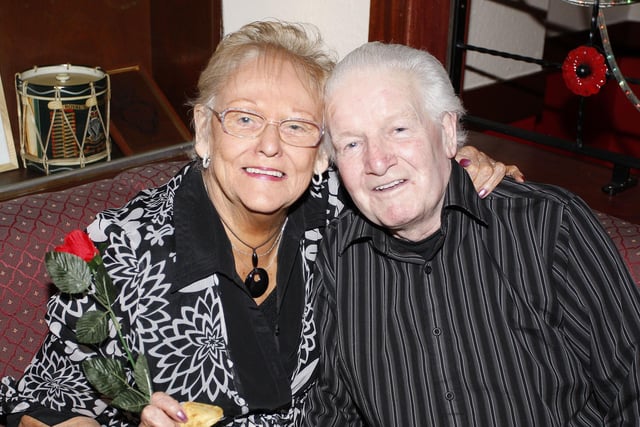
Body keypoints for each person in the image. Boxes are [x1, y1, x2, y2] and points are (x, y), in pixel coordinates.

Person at [0, 22, 520, 427]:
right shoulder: (116, 248)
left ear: (322, 153)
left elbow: (420, 184)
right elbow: (48, 401)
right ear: (205, 130)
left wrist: (463, 162)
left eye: (296, 126)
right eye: (245, 118)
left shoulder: (348, 213)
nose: (270, 146)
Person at [303, 41, 640, 426]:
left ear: (447, 132)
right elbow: (330, 410)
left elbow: (631, 382)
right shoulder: (337, 258)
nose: (377, 161)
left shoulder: (547, 225)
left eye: (398, 129)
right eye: (351, 143)